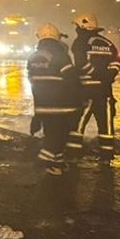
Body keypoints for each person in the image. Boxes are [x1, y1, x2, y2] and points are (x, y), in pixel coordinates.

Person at [27, 23, 80, 176]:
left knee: (51, 134)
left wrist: (37, 112)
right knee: (59, 137)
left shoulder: (32, 58)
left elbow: (33, 83)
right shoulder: (60, 56)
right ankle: (44, 160)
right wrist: (79, 99)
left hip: (43, 106)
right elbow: (71, 79)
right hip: (62, 106)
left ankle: (57, 163)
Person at [68, 12, 120, 158]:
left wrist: (95, 73)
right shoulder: (107, 43)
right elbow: (117, 61)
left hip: (85, 90)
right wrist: (108, 75)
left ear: (82, 26)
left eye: (77, 26)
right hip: (105, 91)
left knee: (78, 124)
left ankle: (73, 155)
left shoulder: (80, 42)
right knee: (106, 126)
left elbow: (81, 63)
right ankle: (107, 155)